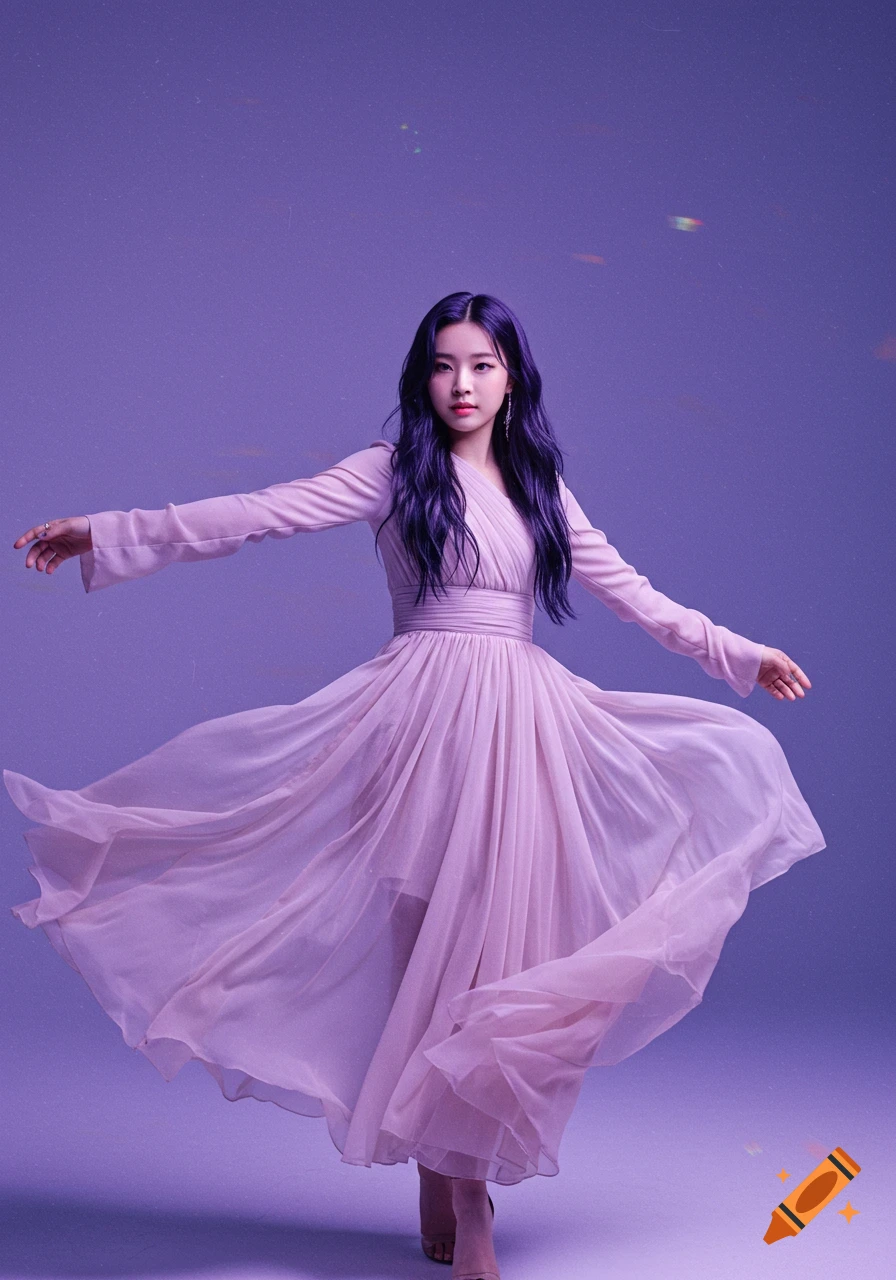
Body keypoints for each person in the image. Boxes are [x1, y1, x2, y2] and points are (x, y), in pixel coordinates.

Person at [6, 292, 825, 1280]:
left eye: (480, 364)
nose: (462, 384)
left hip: (519, 729)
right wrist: (110, 530)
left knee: (492, 958)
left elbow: (636, 595)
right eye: (443, 365)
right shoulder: (392, 471)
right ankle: (440, 1168)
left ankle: (465, 1189)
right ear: (421, 377)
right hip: (412, 728)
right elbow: (257, 512)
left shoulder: (538, 486)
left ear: (510, 374)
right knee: (422, 948)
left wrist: (738, 651)